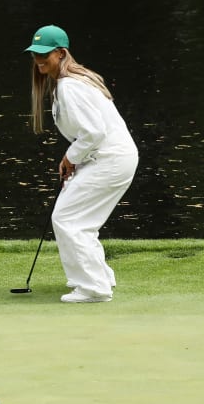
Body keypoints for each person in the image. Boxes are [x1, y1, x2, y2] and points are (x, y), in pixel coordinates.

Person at [25, 24, 138, 303]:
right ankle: (100, 278)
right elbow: (90, 133)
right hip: (110, 157)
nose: (39, 59)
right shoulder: (71, 81)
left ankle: (93, 288)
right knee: (78, 220)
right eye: (35, 53)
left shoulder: (69, 86)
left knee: (67, 219)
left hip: (109, 159)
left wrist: (70, 157)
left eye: (46, 53)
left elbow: (94, 132)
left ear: (61, 53)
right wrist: (75, 158)